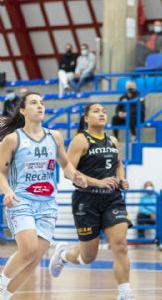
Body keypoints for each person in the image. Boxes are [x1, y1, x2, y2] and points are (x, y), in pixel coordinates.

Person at [0, 92, 88, 299]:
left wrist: (75, 176)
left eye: (42, 102)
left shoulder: (54, 136)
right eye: (33, 103)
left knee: (33, 261)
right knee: (28, 250)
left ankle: (4, 296)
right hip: (22, 200)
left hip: (47, 204)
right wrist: (8, 191)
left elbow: (65, 164)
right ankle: (1, 282)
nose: (40, 106)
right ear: (23, 110)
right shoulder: (13, 139)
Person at [48, 103, 135, 300]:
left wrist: (121, 179)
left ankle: (125, 294)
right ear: (86, 118)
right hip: (86, 201)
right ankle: (63, 255)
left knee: (120, 244)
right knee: (88, 257)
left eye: (104, 111)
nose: (102, 114)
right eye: (96, 111)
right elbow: (69, 172)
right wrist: (98, 182)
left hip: (112, 199)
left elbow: (118, 164)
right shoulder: (80, 141)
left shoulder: (112, 140)